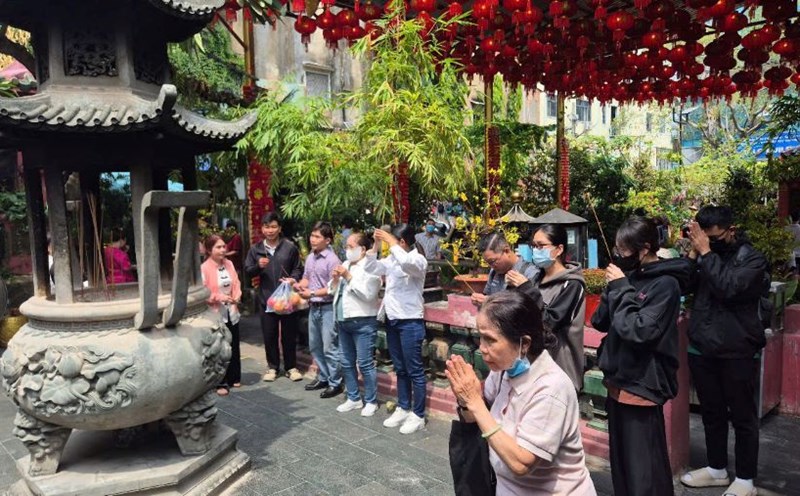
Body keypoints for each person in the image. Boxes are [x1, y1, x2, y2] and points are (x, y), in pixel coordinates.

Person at [446, 291, 596, 495]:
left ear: (524, 343)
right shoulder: (503, 371)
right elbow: (475, 417)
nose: (482, 348)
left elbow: (521, 464)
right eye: (480, 337)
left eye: (490, 340)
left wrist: (474, 402)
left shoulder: (551, 388)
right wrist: (465, 401)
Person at [591, 216, 691, 496]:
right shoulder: (629, 278)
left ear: (644, 248)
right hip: (618, 381)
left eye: (623, 250)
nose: (619, 255)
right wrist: (611, 289)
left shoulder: (666, 285)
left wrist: (622, 289)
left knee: (643, 469)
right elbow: (600, 322)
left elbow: (639, 331)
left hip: (642, 384)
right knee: (621, 464)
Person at [680, 206, 769, 496]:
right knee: (711, 413)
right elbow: (683, 285)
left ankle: (745, 479)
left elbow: (729, 288)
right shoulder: (705, 253)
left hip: (738, 349)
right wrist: (693, 254)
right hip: (703, 346)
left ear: (731, 229)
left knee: (743, 417)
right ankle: (716, 468)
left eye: (715, 238)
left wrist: (706, 253)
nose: (711, 243)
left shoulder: (752, 259)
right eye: (706, 238)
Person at [364, 224, 428, 434]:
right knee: (400, 368)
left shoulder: (418, 259)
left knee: (415, 370)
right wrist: (376, 243)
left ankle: (418, 414)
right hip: (392, 319)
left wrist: (390, 242)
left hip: (410, 321)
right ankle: (403, 406)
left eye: (394, 240)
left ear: (402, 242)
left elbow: (407, 263)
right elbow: (371, 268)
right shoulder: (392, 259)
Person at [514, 224, 586, 392]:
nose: (536, 250)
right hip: (533, 367)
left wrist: (526, 289)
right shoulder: (537, 280)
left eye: (541, 246)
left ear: (559, 249)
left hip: (559, 370)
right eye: (534, 246)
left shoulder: (573, 284)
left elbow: (550, 322)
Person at [244, 212, 304, 383]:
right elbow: (247, 271)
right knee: (269, 334)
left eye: (273, 226)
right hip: (267, 298)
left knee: (289, 334)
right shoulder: (256, 249)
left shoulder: (289, 247)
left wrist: (293, 278)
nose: (269, 230)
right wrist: (257, 266)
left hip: (287, 299)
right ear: (262, 228)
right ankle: (272, 367)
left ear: (280, 228)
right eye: (266, 226)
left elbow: (298, 268)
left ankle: (291, 367)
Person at [329, 232, 382, 416]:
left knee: (365, 363)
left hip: (363, 320)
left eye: (351, 246)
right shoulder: (345, 264)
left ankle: (371, 400)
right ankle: (353, 397)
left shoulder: (371, 267)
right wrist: (336, 279)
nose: (347, 250)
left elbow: (368, 294)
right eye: (346, 246)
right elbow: (332, 290)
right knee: (346, 361)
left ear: (363, 249)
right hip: (343, 320)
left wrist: (349, 277)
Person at [291, 221, 343, 399]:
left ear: (327, 240)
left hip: (328, 307)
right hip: (314, 306)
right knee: (315, 346)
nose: (312, 240)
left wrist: (311, 292)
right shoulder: (311, 257)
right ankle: (324, 377)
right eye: (312, 236)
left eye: (317, 237)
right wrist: (297, 285)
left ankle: (335, 382)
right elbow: (306, 278)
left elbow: (332, 288)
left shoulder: (332, 260)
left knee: (330, 347)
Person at [201, 234, 242, 396]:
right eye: (218, 247)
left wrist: (237, 295)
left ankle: (234, 376)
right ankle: (220, 381)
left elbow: (236, 282)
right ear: (210, 250)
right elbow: (204, 292)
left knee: (234, 344)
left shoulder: (229, 263)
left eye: (224, 246)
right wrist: (219, 297)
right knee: (219, 348)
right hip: (216, 312)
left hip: (231, 310)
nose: (223, 250)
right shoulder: (204, 268)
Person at [471, 232, 539, 307]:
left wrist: (493, 303)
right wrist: (481, 301)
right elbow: (487, 295)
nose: (491, 266)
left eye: (493, 261)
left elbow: (534, 308)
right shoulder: (494, 272)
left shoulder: (531, 273)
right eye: (488, 263)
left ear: (506, 251)